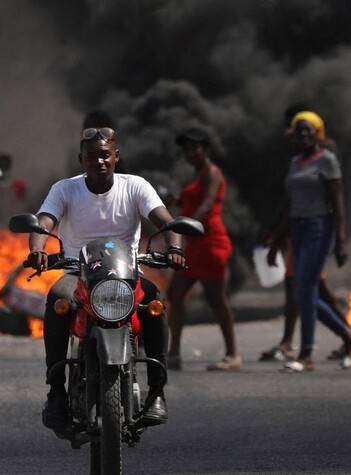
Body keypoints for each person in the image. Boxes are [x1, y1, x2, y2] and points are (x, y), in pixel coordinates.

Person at [28, 126, 183, 432]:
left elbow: (165, 220)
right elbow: (43, 223)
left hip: (126, 276)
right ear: (81, 160)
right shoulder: (65, 189)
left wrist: (175, 247)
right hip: (78, 275)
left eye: (104, 155)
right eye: (90, 157)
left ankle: (157, 393)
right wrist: (37, 249)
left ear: (116, 156)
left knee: (155, 302)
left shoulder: (135, 186)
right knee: (57, 298)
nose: (98, 161)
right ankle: (56, 392)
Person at [266, 111, 351, 372]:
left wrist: (341, 240)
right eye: (299, 130)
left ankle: (306, 354)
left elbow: (338, 202)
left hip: (318, 227)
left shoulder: (327, 161)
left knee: (305, 289)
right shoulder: (296, 162)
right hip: (297, 228)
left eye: (308, 129)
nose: (304, 134)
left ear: (318, 132)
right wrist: (276, 240)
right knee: (303, 292)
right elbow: (290, 204)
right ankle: (347, 336)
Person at [166, 126, 241, 372]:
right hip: (195, 244)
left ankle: (233, 355)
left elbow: (207, 204)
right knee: (175, 294)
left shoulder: (212, 173)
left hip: (211, 243)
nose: (190, 153)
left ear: (206, 149)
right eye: (186, 150)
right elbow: (194, 200)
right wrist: (177, 201)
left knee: (216, 299)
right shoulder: (198, 174)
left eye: (194, 148)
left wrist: (186, 224)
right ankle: (173, 354)